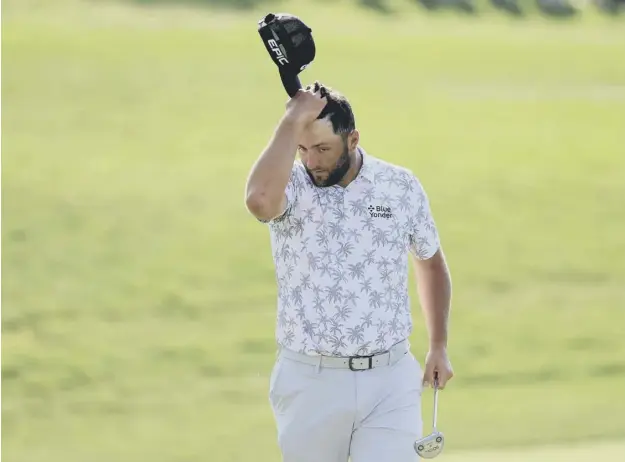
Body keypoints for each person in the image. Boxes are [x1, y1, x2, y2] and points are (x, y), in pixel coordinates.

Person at [244, 81, 454, 462]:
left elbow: (430, 260)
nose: (312, 161)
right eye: (303, 149)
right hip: (311, 383)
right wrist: (292, 119)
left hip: (390, 379)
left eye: (323, 148)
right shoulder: (290, 186)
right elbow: (258, 201)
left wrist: (438, 345)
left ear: (353, 140)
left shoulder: (399, 186)